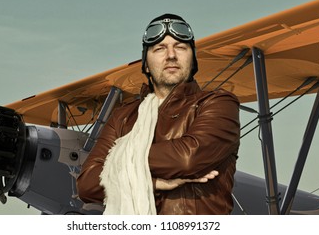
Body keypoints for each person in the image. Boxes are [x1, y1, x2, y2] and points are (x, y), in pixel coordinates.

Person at [77, 13, 240, 215]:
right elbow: (87, 185)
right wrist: (153, 183)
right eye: (160, 48)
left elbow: (187, 158)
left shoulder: (218, 103)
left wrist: (122, 164)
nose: (171, 55)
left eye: (180, 47)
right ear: (146, 63)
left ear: (193, 59)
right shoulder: (123, 116)